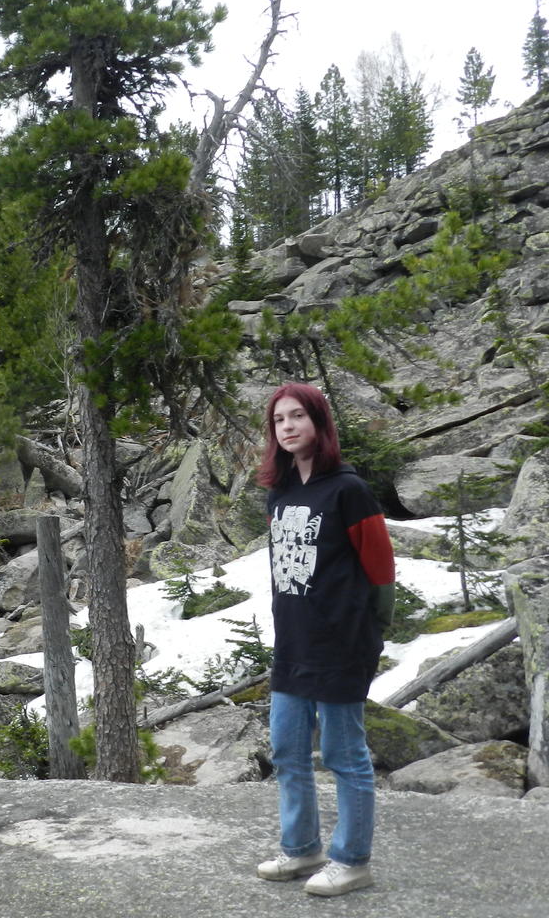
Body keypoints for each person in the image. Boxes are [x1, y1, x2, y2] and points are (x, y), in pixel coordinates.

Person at [254, 382, 395, 897]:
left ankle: (352, 861)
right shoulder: (281, 492)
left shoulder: (348, 490)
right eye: (279, 420)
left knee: (343, 755)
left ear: (318, 422)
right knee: (287, 751)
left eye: (297, 416)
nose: (287, 427)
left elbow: (381, 568)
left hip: (342, 643)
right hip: (294, 642)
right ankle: (302, 849)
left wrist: (371, 634)